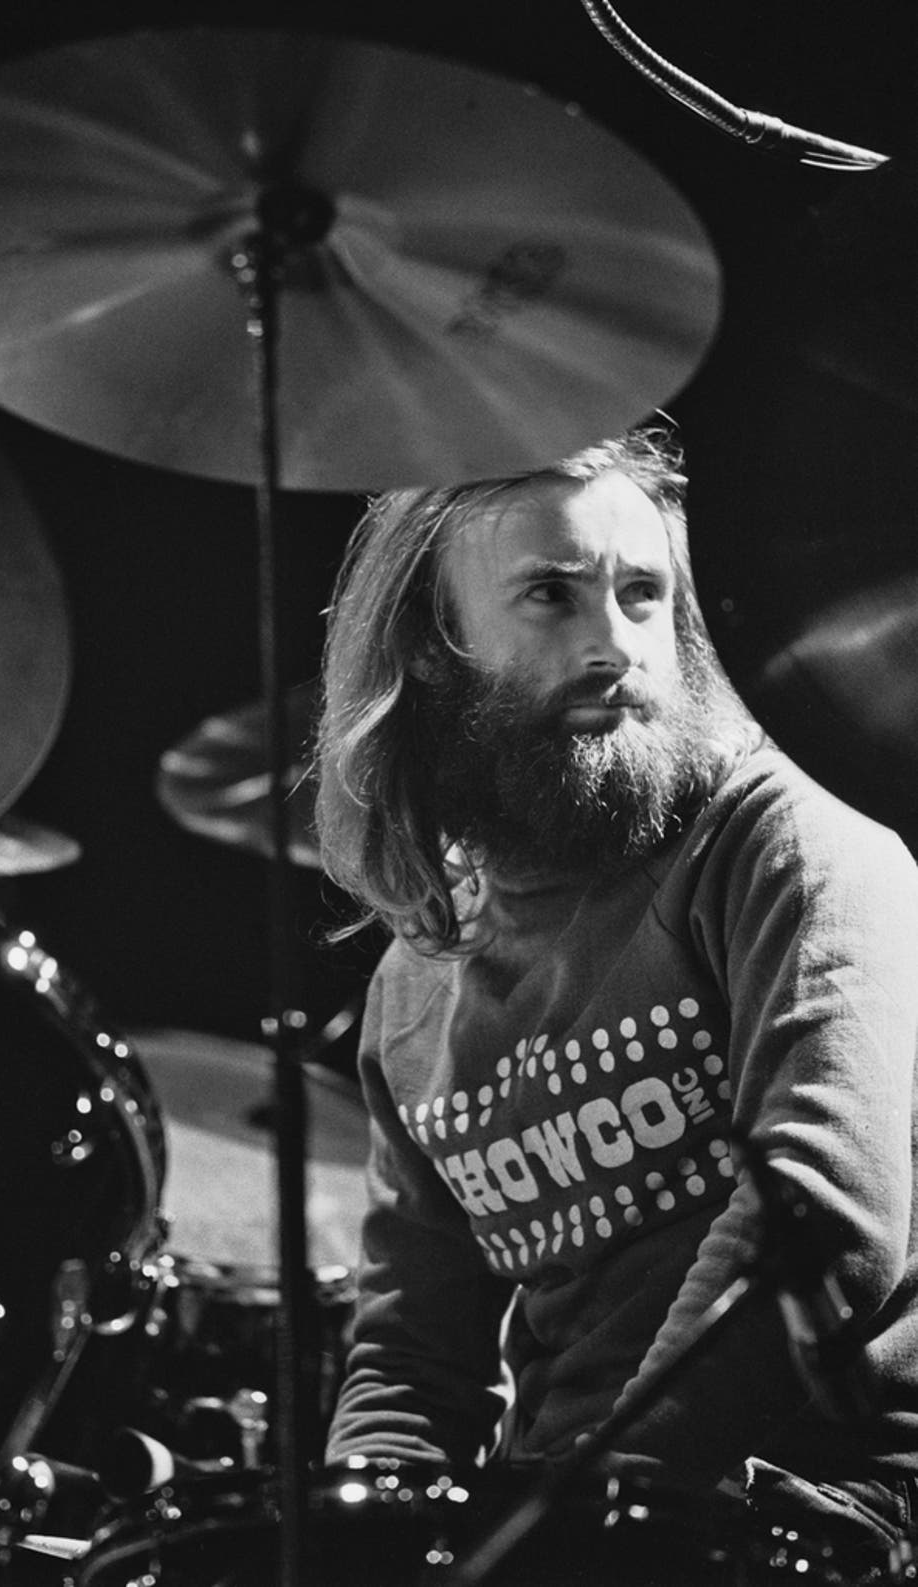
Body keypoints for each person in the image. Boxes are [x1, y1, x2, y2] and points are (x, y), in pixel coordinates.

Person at [311, 426, 918, 1576]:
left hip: (820, 1504)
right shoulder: (413, 985)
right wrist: (364, 1541)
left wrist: (583, 1520)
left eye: (643, 594)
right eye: (552, 594)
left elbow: (825, 1220)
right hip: (555, 1518)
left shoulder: (783, 836)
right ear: (432, 645)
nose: (616, 644)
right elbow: (410, 1358)